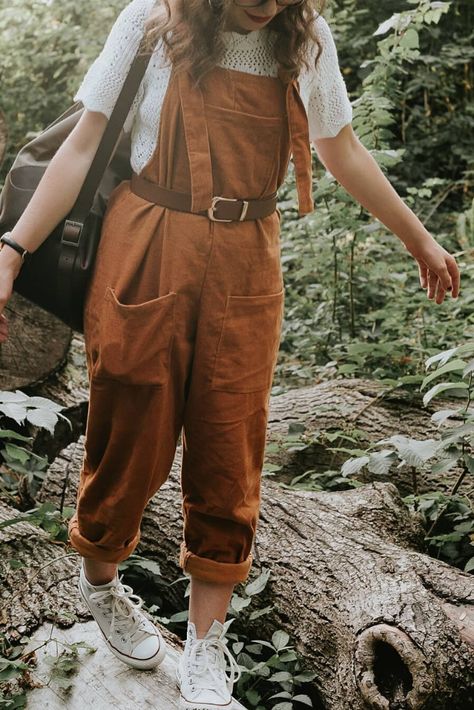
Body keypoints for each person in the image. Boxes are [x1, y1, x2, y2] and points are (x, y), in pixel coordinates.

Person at [0, 0, 461, 708]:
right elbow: (83, 146)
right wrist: (11, 250)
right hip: (145, 246)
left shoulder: (305, 38)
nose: (266, 3)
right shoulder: (148, 24)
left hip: (248, 259)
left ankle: (206, 644)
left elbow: (340, 148)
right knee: (127, 437)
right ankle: (100, 586)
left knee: (231, 444)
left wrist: (418, 237)